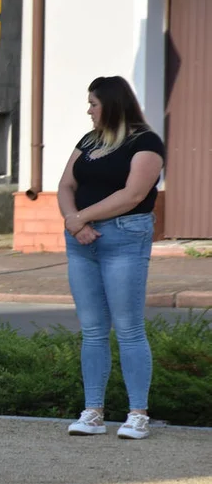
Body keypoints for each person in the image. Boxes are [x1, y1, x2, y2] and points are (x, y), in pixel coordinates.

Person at [58, 76, 165, 441]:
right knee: (92, 330)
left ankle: (138, 414)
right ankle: (93, 412)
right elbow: (65, 185)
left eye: (93, 103)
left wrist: (82, 218)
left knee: (129, 328)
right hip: (81, 241)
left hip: (124, 237)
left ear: (112, 104)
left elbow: (134, 194)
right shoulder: (90, 141)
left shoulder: (146, 142)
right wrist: (75, 224)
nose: (88, 110)